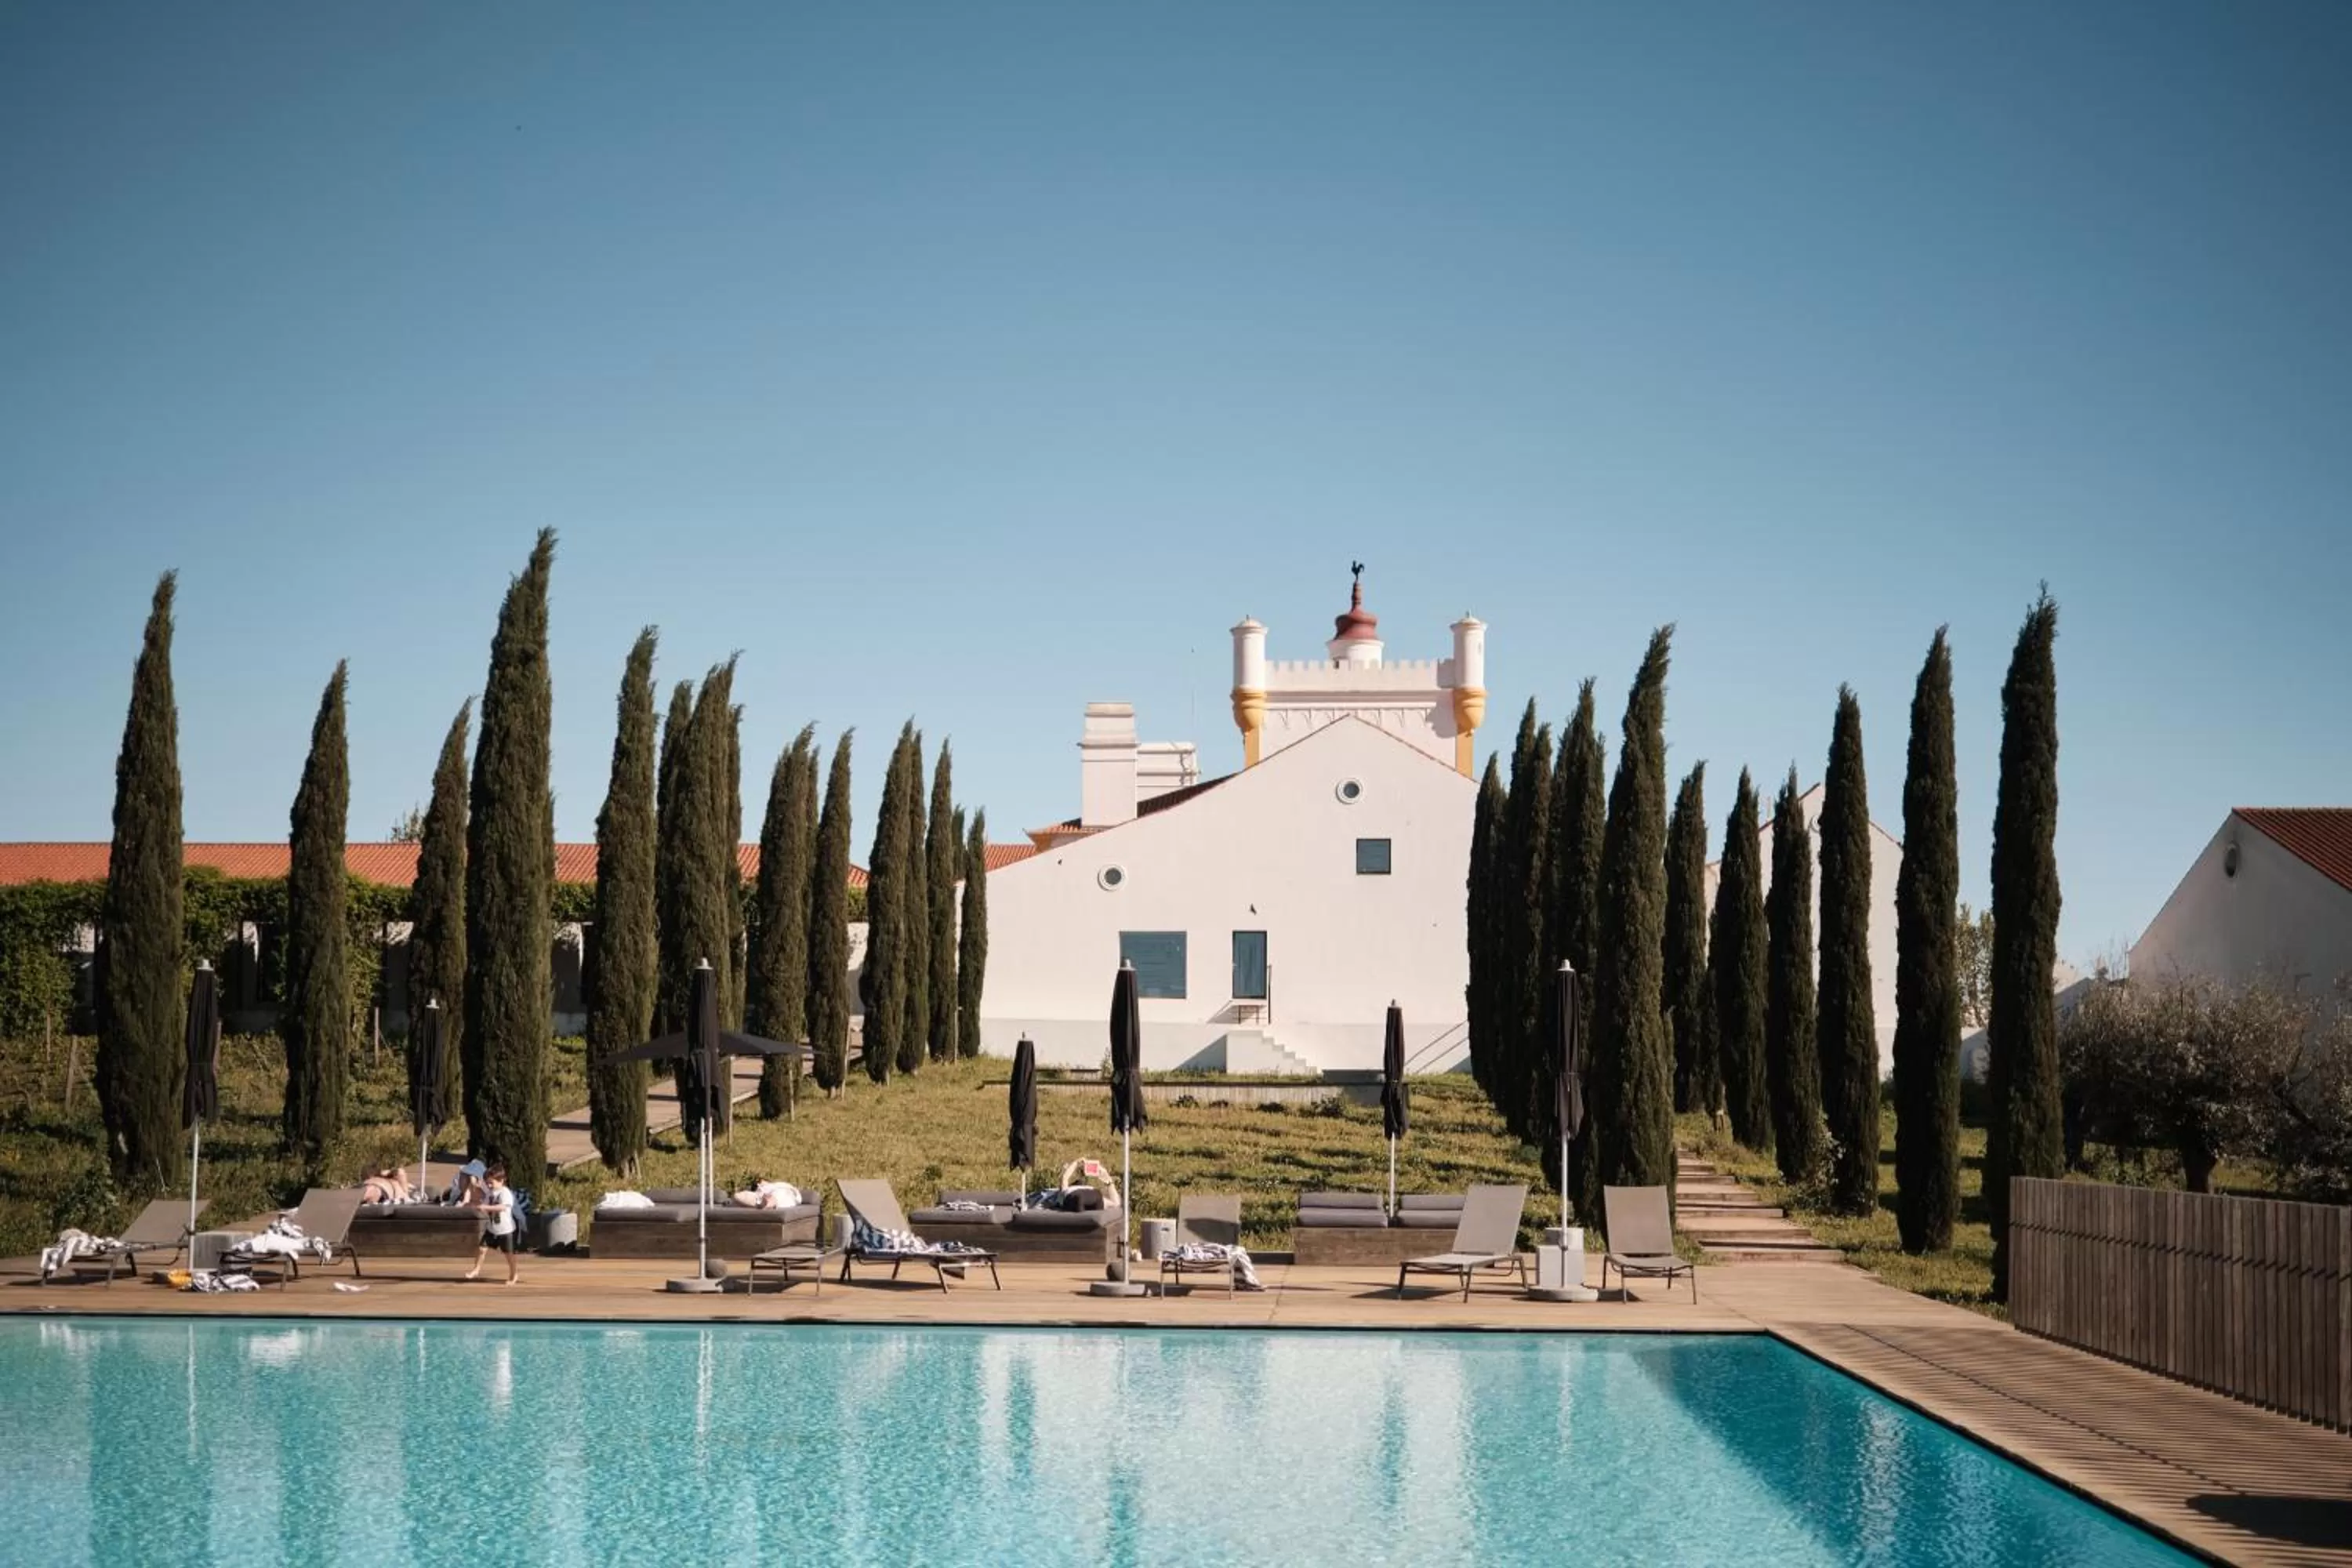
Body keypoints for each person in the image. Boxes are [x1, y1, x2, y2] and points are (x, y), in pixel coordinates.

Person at [465, 1164, 521, 1285]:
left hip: (506, 1230)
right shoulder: (490, 1193)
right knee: (481, 1249)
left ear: (501, 1181)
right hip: (492, 1228)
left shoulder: (505, 1193)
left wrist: (486, 1207)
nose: (489, 1186)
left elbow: (502, 1207)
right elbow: (485, 1205)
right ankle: (476, 1270)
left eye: (491, 1183)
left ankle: (513, 1274)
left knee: (509, 1254)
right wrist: (477, 1206)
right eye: (487, 1183)